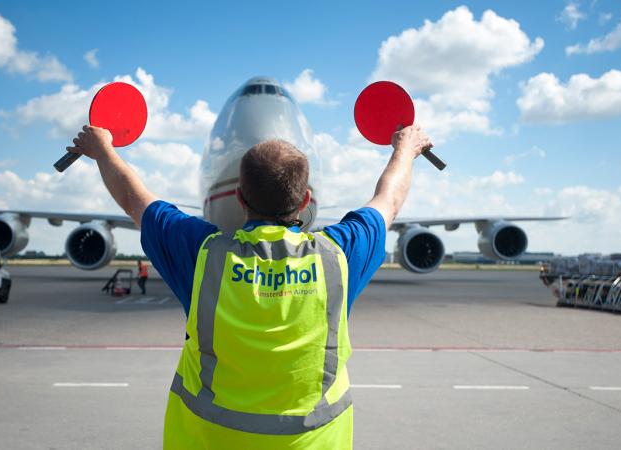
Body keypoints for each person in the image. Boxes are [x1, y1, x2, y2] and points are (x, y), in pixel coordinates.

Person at [67, 123, 432, 449]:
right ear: (305, 200)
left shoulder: (203, 255)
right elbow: (389, 201)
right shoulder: (337, 256)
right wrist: (405, 148)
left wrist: (103, 150)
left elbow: (135, 200)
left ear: (239, 197)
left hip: (207, 440)